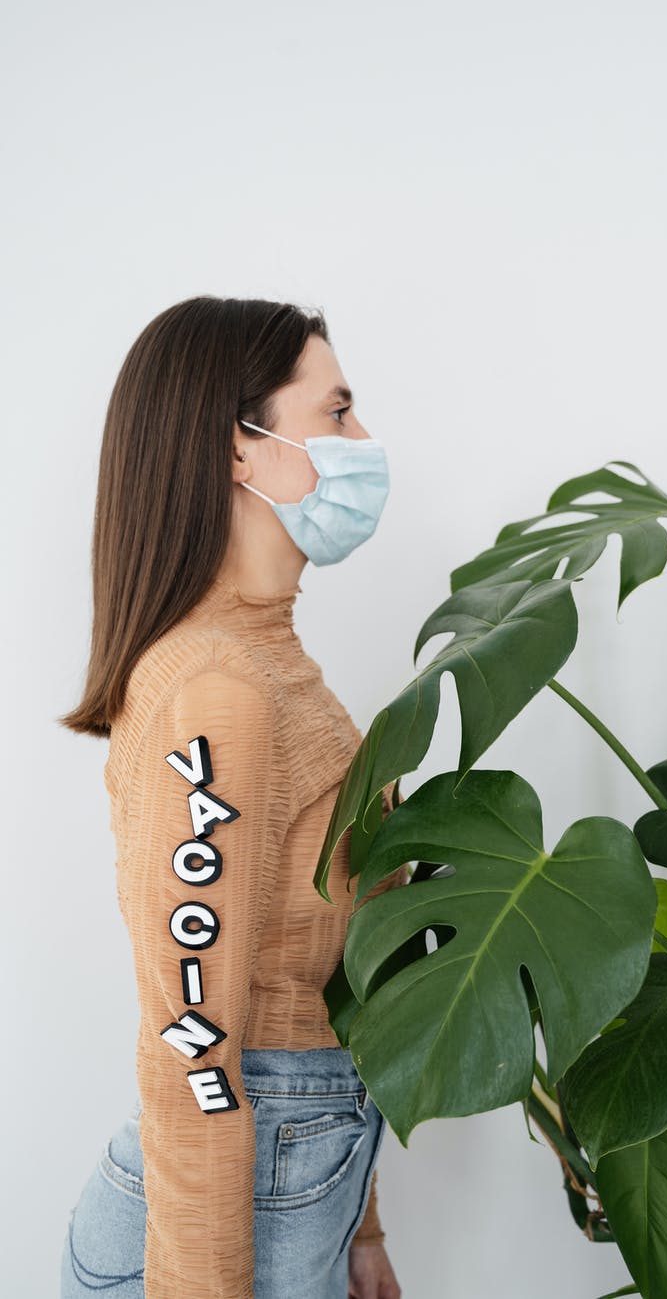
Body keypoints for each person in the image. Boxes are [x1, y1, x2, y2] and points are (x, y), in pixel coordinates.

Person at [57, 295, 407, 1299]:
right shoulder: (217, 692)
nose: (364, 440)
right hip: (227, 1207)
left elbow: (328, 972)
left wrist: (357, 1219)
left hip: (296, 1171)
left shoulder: (271, 662)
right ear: (241, 450)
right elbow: (194, 1040)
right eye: (337, 413)